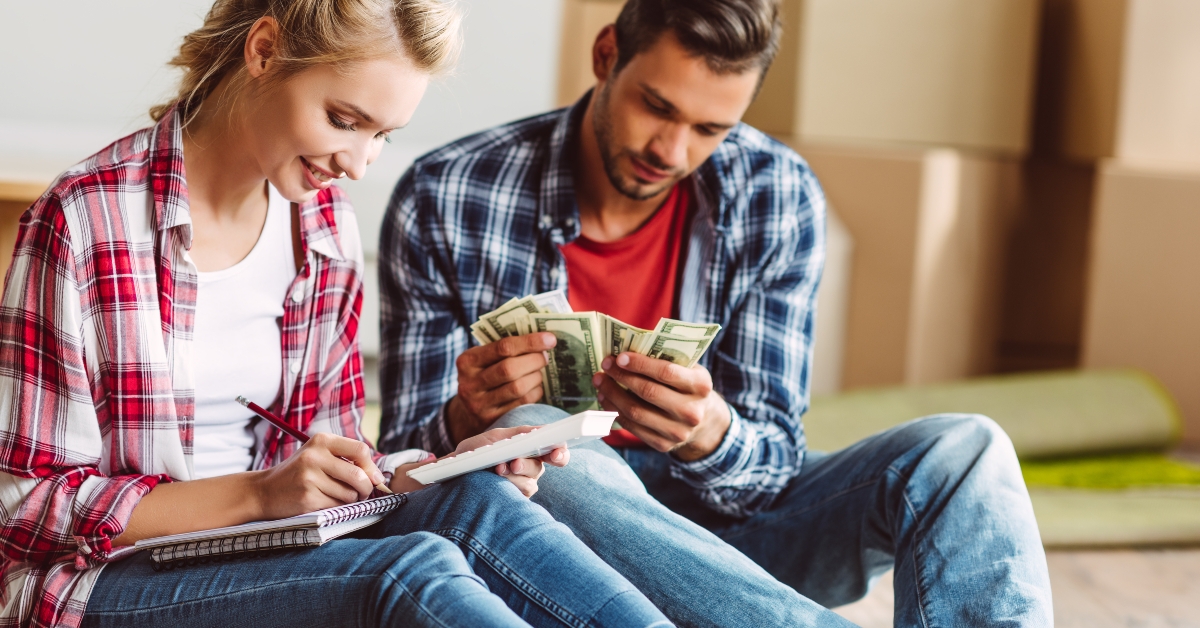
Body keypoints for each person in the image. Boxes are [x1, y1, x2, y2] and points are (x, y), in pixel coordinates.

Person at [378, 0, 1055, 625]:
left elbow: (773, 468)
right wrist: (472, 416)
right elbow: (404, 469)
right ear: (606, 54)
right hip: (561, 542)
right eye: (656, 107)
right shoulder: (448, 193)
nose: (670, 151)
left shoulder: (776, 193)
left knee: (966, 450)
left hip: (737, 533)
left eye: (709, 129)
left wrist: (708, 432)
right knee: (539, 438)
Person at [0, 2, 675, 627]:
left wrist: (440, 467)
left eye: (382, 134)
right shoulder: (85, 219)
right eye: (344, 121)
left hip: (265, 550)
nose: (357, 162)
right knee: (411, 573)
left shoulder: (324, 226)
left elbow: (337, 467)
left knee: (482, 505)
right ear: (263, 50)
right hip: (103, 581)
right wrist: (262, 496)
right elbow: (23, 507)